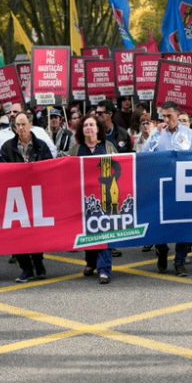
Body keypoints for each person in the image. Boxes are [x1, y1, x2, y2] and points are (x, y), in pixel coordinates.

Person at [139, 101, 192, 276]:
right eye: (163, 116)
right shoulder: (157, 133)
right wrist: (155, 135)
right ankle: (162, 249)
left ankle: (179, 261)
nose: (166, 119)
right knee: (159, 222)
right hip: (160, 185)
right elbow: (143, 154)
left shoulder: (189, 134)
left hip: (183, 184)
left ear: (177, 115)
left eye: (169, 116)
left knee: (183, 224)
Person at [0, 112, 54, 282]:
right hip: (14, 197)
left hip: (36, 195)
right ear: (14, 128)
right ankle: (26, 268)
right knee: (17, 233)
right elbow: (0, 170)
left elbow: (50, 167)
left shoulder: (41, 146)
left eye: (24, 124)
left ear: (31, 125)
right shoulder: (7, 147)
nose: (21, 128)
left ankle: (38, 262)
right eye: (18, 125)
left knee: (36, 232)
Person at [68, 113, 118, 283]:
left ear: (98, 129)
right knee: (87, 229)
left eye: (92, 125)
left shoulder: (108, 146)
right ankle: (91, 262)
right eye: (85, 125)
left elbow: (119, 166)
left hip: (105, 195)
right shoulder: (75, 149)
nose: (88, 127)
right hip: (83, 197)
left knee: (104, 231)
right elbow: (67, 170)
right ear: (81, 130)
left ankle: (104, 270)